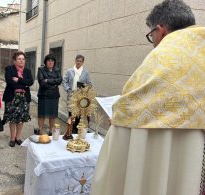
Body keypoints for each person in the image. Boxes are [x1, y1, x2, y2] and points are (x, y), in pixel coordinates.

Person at [90, 1, 205, 195]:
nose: (153, 42)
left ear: (160, 30)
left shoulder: (162, 57)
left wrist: (119, 117)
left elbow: (130, 106)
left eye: (151, 36)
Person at [2, 51, 34, 147]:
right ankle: (12, 138)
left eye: (23, 59)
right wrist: (25, 84)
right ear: (15, 61)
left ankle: (18, 137)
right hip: (12, 97)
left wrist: (19, 80)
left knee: (21, 119)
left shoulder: (27, 71)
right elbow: (10, 82)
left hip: (24, 98)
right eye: (19, 59)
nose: (21, 61)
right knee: (12, 118)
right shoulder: (9, 69)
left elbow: (31, 82)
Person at [62, 54, 91, 133]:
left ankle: (77, 130)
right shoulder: (69, 71)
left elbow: (89, 84)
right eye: (77, 61)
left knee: (79, 114)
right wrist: (68, 89)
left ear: (83, 62)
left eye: (80, 61)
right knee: (71, 113)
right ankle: (70, 129)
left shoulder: (85, 72)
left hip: (81, 97)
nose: (78, 62)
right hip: (72, 95)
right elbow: (64, 81)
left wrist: (85, 87)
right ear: (75, 61)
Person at [37, 54, 62, 135]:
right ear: (46, 62)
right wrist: (53, 84)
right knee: (42, 114)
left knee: (52, 114)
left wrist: (47, 80)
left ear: (54, 62)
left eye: (52, 61)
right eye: (49, 61)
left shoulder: (57, 70)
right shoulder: (41, 69)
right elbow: (42, 82)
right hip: (44, 95)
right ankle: (40, 130)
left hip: (54, 96)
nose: (50, 62)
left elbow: (60, 80)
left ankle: (51, 130)